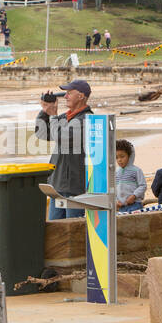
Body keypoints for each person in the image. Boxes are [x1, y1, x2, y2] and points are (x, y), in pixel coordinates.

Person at [36, 80, 94, 219]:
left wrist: (54, 115)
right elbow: (42, 133)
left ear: (81, 96)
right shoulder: (65, 117)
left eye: (69, 93)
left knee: (72, 230)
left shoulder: (87, 119)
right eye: (65, 94)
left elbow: (62, 137)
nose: (65, 97)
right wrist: (45, 111)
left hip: (74, 185)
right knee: (56, 229)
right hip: (58, 185)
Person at [115, 139, 147, 212]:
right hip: (121, 207)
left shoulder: (136, 170)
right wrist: (116, 201)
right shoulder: (116, 172)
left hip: (135, 204)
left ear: (129, 156)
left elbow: (143, 186)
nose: (119, 160)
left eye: (122, 156)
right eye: (117, 157)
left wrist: (134, 196)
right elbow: (113, 188)